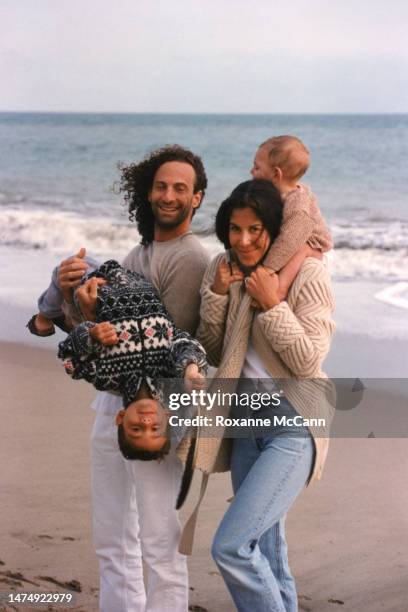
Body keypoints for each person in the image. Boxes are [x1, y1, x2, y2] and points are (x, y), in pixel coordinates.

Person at [57, 145, 210, 612]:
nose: (168, 195)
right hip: (111, 404)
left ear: (197, 198)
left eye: (180, 188)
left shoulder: (189, 258)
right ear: (148, 191)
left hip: (155, 412)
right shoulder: (140, 251)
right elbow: (92, 335)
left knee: (161, 545)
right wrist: (74, 300)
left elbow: (165, 341)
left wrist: (93, 315)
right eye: (161, 186)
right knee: (112, 537)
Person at [197, 179, 335, 612]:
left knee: (232, 548)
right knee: (267, 549)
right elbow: (215, 350)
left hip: (294, 423)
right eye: (235, 230)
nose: (243, 240)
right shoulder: (228, 270)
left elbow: (308, 361)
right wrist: (216, 295)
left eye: (254, 230)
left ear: (274, 230)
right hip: (245, 425)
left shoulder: (308, 275)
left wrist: (273, 304)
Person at [56, 259, 207, 458]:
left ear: (120, 418)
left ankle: (45, 312)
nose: (146, 424)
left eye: (136, 429)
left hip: (96, 281)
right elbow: (183, 342)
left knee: (61, 274)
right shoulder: (168, 374)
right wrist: (190, 369)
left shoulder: (107, 378)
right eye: (155, 430)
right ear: (168, 417)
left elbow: (69, 361)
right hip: (136, 279)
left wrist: (91, 334)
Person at [251, 135, 333, 299]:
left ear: (275, 174)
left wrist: (267, 268)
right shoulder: (277, 194)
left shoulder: (297, 203)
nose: (251, 171)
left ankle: (279, 291)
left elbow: (290, 239)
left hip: (314, 244)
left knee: (299, 250)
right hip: (296, 237)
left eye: (257, 168)